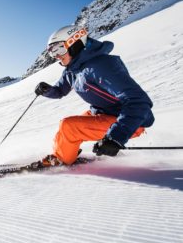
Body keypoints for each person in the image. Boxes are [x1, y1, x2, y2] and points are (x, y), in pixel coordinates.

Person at [34, 25, 154, 166]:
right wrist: (47, 90)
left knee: (70, 127)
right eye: (51, 52)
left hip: (131, 122)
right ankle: (65, 153)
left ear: (75, 43)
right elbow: (60, 90)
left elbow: (138, 101)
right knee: (66, 127)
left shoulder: (101, 66)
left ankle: (61, 160)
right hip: (105, 113)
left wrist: (116, 137)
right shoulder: (73, 69)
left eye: (58, 49)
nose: (56, 56)